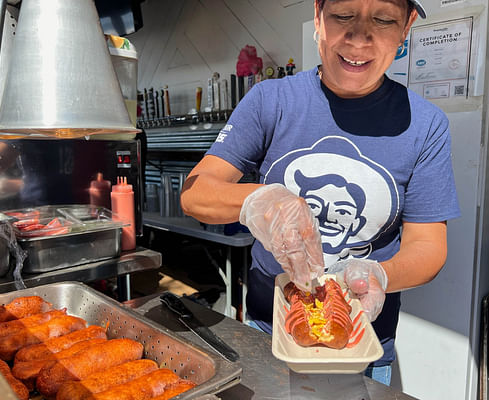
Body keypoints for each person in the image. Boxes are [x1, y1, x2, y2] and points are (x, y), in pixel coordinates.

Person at [180, 0, 460, 386]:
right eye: (343, 16)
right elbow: (195, 194)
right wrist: (258, 200)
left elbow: (429, 245)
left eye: (383, 20)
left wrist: (380, 273)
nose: (359, 38)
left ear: (407, 26)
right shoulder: (270, 101)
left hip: (363, 345)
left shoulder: (426, 125)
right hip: (268, 334)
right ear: (317, 17)